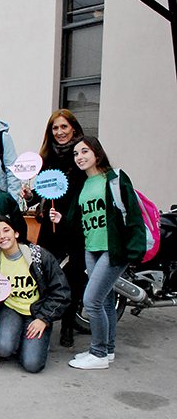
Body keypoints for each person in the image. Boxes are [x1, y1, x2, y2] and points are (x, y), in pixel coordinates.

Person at [51, 136, 146, 370]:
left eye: (84, 151)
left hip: (113, 250)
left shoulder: (115, 179)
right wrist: (61, 220)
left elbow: (133, 215)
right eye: (76, 154)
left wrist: (134, 252)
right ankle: (108, 350)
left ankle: (99, 353)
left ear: (96, 153)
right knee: (104, 301)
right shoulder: (84, 184)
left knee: (91, 300)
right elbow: (78, 220)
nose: (79, 157)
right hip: (91, 249)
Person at [22, 109, 87, 348]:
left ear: (74, 128)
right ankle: (43, 322)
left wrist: (68, 217)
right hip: (49, 226)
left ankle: (68, 326)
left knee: (74, 277)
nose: (59, 132)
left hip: (73, 225)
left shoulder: (81, 155)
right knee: (43, 275)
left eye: (64, 127)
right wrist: (30, 196)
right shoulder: (47, 157)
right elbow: (41, 191)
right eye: (55, 128)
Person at [0, 216, 70, 373]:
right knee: (3, 349)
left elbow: (61, 291)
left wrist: (43, 319)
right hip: (11, 309)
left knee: (32, 365)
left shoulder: (39, 256)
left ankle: (34, 341)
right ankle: (20, 337)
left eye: (6, 230)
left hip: (37, 311)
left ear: (16, 233)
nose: (2, 236)